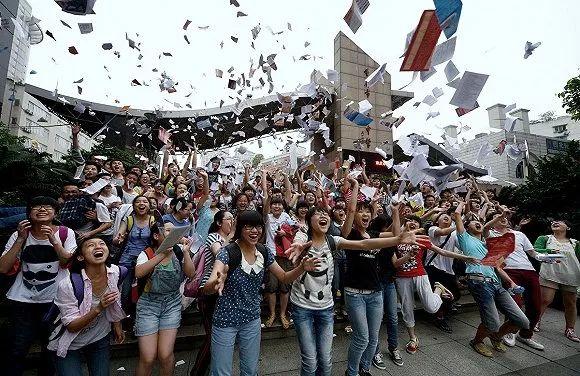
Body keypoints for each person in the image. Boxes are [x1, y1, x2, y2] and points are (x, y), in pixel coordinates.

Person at [288, 206, 425, 376]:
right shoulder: (303, 237)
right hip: (304, 307)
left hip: (327, 307)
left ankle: (362, 368)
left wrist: (397, 240)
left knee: (326, 360)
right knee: (310, 361)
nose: (324, 215)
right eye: (318, 213)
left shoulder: (333, 240)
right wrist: (299, 247)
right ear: (309, 221)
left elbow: (364, 244)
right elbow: (300, 239)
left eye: (325, 213)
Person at [203, 210, 320, 376]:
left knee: (250, 371)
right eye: (249, 227)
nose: (255, 231)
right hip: (225, 321)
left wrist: (301, 267)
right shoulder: (227, 252)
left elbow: (284, 277)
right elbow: (208, 286)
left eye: (258, 226)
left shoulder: (264, 252)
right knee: (221, 372)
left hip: (251, 320)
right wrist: (216, 281)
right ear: (240, 228)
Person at [0, 196, 76, 376]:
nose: (42, 209)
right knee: (17, 347)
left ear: (56, 213)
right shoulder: (18, 235)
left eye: (48, 206)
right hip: (22, 300)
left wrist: (54, 240)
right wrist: (20, 240)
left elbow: (66, 260)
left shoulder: (66, 233)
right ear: (28, 213)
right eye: (36, 206)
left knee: (51, 347)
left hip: (55, 300)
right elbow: (3, 267)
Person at [453, 201, 530, 358]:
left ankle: (496, 336)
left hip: (497, 284)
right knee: (492, 322)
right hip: (479, 282)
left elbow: (499, 267)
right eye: (474, 222)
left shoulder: (488, 244)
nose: (478, 223)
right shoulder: (465, 238)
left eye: (479, 221)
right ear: (467, 227)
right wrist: (461, 203)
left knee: (523, 321)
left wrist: (511, 282)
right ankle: (477, 341)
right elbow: (457, 215)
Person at [394, 216, 477, 355]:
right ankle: (413, 338)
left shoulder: (423, 239)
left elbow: (442, 251)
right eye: (410, 221)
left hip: (420, 274)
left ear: (419, 226)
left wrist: (465, 257)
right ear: (404, 224)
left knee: (431, 308)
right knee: (407, 309)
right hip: (401, 277)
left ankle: (438, 289)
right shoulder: (396, 238)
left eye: (416, 221)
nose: (413, 223)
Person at [47, 237, 125, 376]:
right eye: (91, 245)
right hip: (69, 343)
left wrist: (117, 324)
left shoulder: (116, 273)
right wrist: (99, 308)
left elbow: (115, 298)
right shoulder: (68, 285)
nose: (98, 247)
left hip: (99, 337)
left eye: (102, 243)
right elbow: (71, 326)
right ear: (81, 257)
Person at [134, 222, 195, 376]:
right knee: (148, 357)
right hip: (148, 304)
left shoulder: (180, 251)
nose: (174, 233)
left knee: (165, 354)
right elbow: (139, 273)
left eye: (175, 231)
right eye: (169, 230)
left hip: (172, 304)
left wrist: (187, 252)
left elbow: (191, 273)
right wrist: (162, 254)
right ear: (156, 235)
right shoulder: (146, 253)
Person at [487, 212, 547, 350]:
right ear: (493, 221)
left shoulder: (519, 234)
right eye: (498, 217)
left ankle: (525, 335)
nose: (503, 219)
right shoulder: (490, 234)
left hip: (529, 271)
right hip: (509, 271)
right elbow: (484, 230)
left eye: (505, 217)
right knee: (516, 303)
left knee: (535, 306)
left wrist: (547, 258)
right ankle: (508, 333)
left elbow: (533, 253)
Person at [191, 210, 234, 376]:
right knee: (212, 336)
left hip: (223, 291)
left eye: (233, 219)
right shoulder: (213, 237)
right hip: (209, 291)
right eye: (229, 219)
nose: (232, 222)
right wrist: (232, 238)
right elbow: (221, 254)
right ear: (218, 223)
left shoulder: (231, 240)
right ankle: (197, 372)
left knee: (218, 336)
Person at [534, 219, 580, 342]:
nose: (555, 222)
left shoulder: (575, 243)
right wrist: (548, 251)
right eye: (554, 221)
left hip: (571, 275)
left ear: (568, 227)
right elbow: (535, 250)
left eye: (560, 222)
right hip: (549, 273)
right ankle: (535, 321)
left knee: (571, 303)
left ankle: (570, 329)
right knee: (545, 300)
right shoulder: (545, 238)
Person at [113, 196, 155, 310]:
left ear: (149, 206)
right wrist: (118, 239)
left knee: (143, 290)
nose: (141, 203)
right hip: (127, 260)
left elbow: (160, 237)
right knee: (124, 291)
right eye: (138, 201)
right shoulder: (128, 220)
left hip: (145, 260)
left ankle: (138, 316)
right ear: (133, 205)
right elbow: (118, 237)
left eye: (145, 201)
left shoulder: (153, 220)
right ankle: (121, 317)